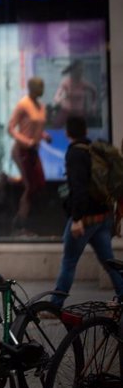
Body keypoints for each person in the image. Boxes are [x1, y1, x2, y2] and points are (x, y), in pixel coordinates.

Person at [50, 116, 123, 308]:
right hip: (102, 217)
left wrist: (77, 219)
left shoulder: (75, 154)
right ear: (85, 131)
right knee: (109, 263)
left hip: (86, 219)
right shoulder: (93, 150)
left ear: (67, 132)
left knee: (69, 262)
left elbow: (79, 189)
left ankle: (55, 305)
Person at [7, 77, 52, 235]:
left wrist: (44, 136)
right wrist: (27, 141)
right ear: (31, 87)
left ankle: (24, 222)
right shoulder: (23, 104)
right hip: (22, 151)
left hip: (33, 151)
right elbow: (11, 128)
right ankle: (20, 224)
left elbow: (37, 127)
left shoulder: (41, 106)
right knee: (30, 186)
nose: (42, 88)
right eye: (39, 86)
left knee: (38, 185)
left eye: (43, 85)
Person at [52, 60, 98, 128]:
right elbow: (56, 97)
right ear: (73, 71)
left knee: (80, 131)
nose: (81, 72)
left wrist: (94, 105)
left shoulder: (83, 83)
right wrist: (61, 99)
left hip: (79, 113)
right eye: (79, 70)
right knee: (56, 126)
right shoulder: (66, 82)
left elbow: (94, 91)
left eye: (82, 70)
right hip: (66, 112)